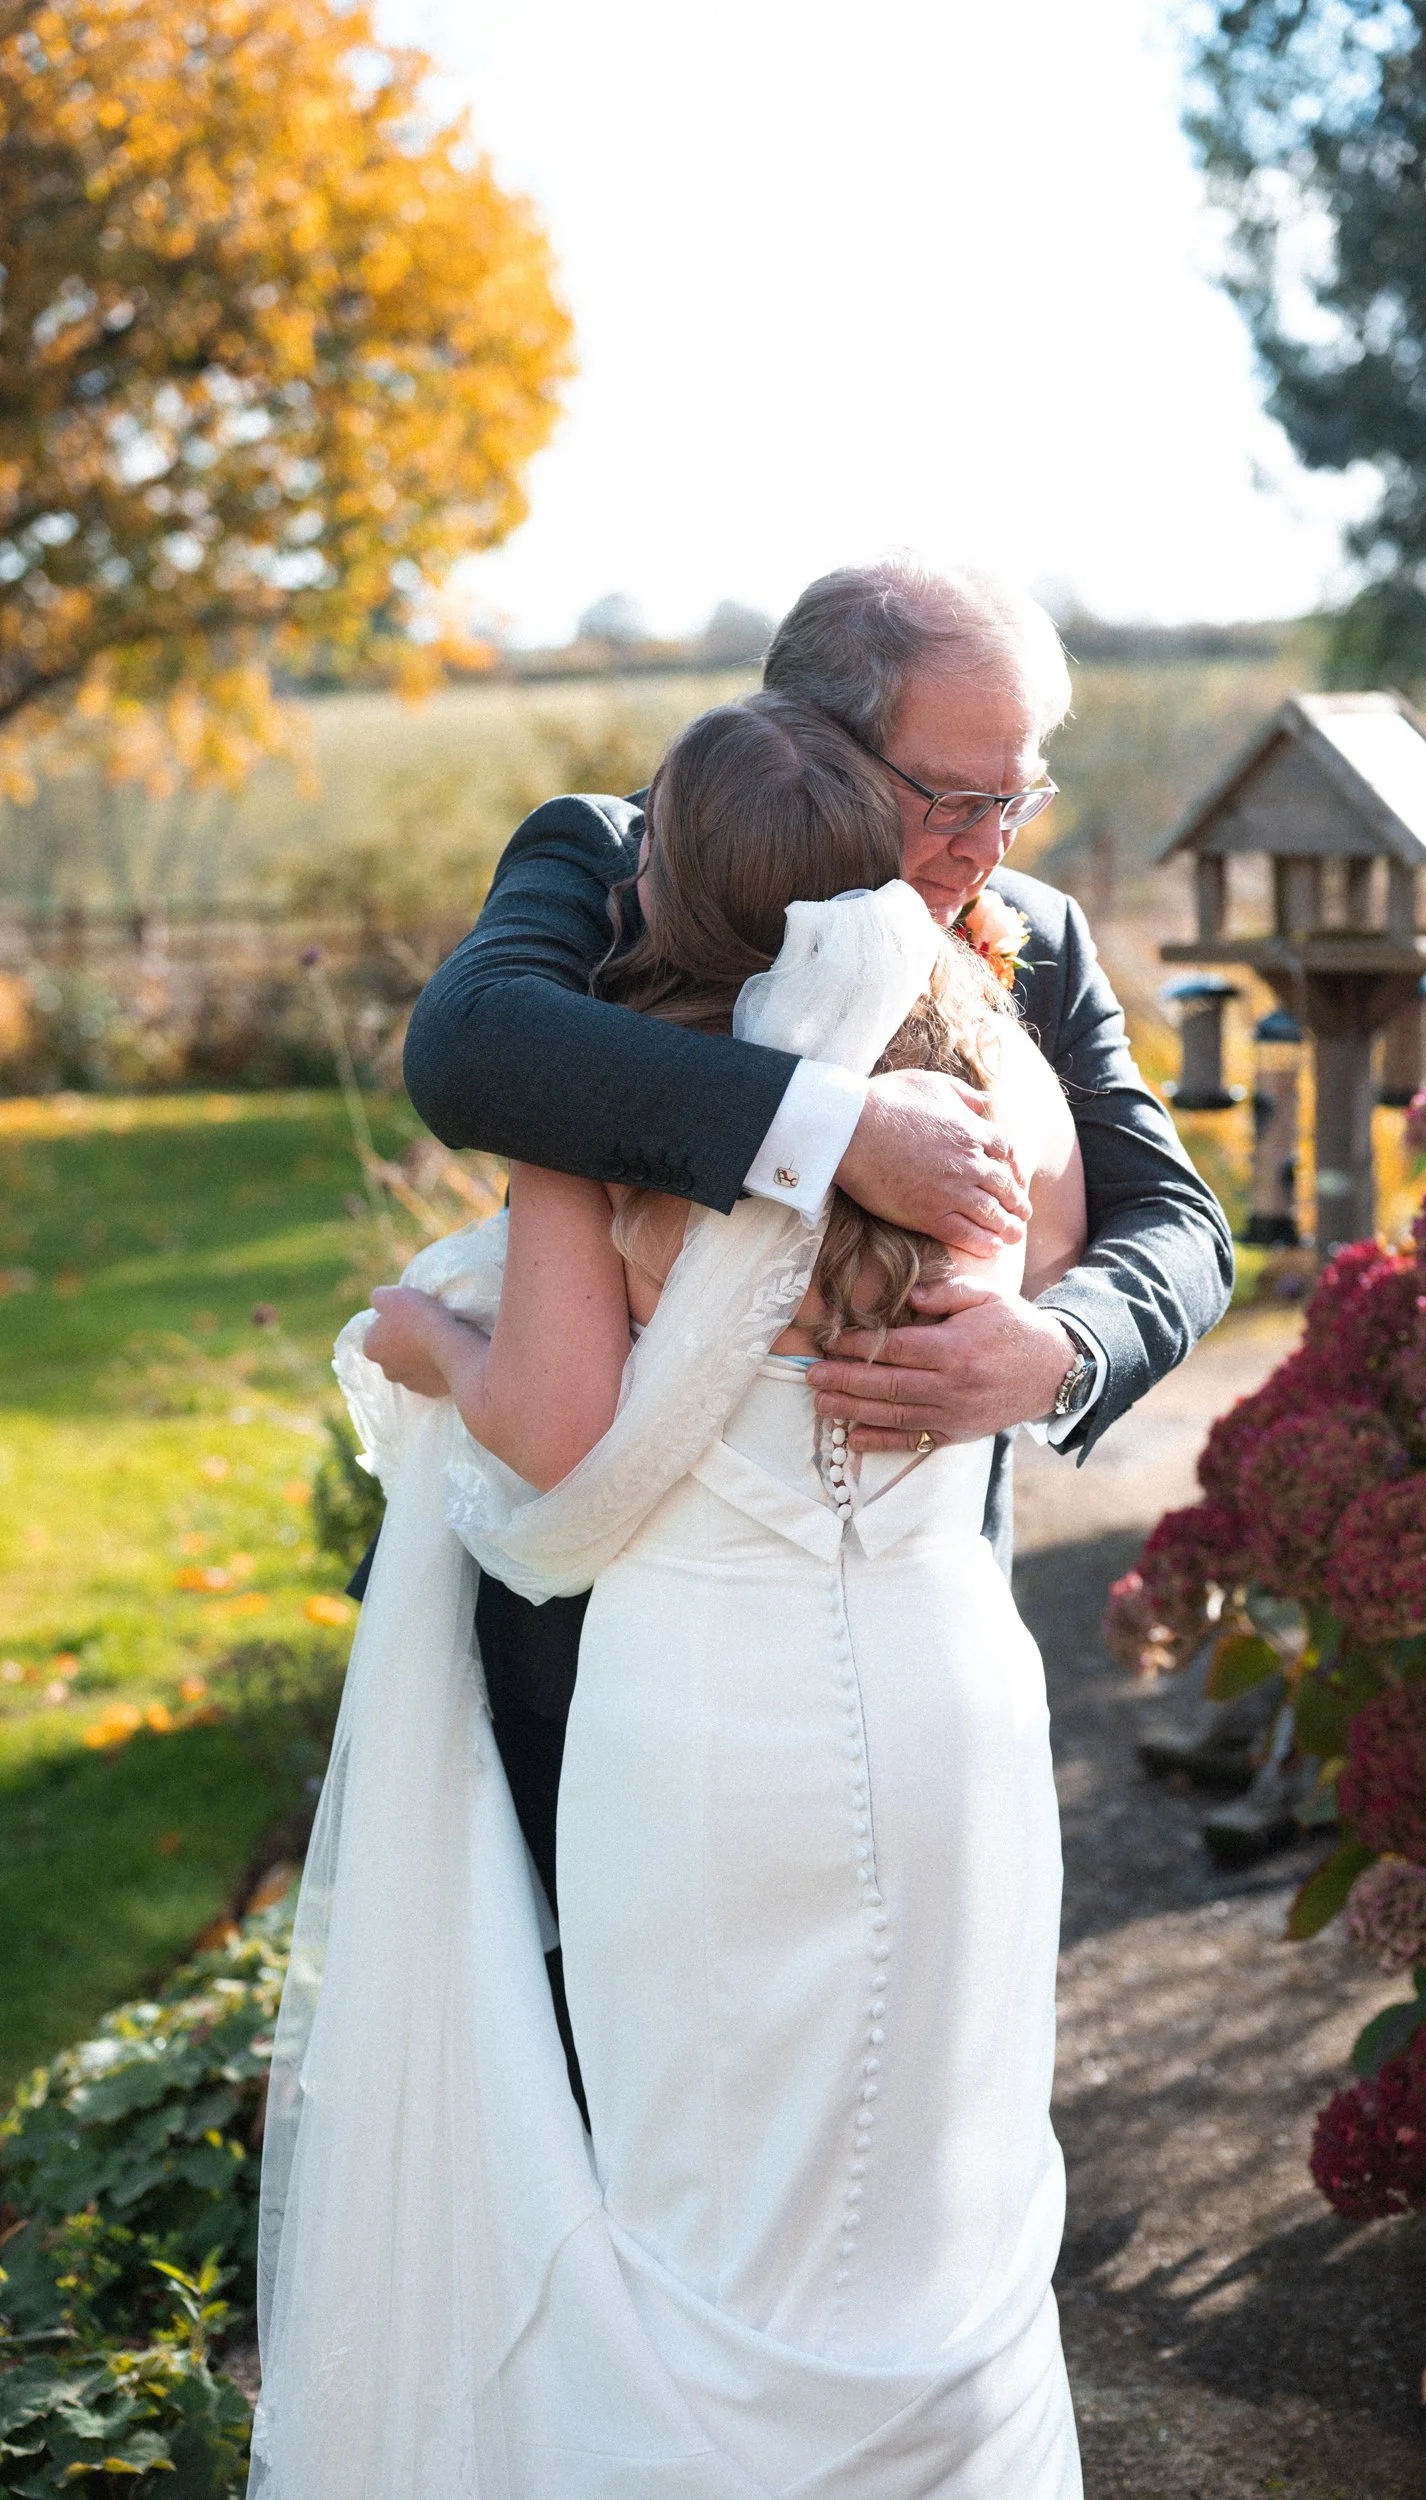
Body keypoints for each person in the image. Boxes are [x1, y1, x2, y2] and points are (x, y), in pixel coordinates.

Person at [253, 695, 1092, 2493]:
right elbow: (1059, 1277)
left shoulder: (597, 1110)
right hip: (950, 1690)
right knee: (935, 2208)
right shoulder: (986, 1096)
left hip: (709, 1716)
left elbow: (557, 1432)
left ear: (662, 881)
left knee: (707, 2211)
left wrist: (419, 1339)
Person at [387, 559, 1234, 2084]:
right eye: (947, 799)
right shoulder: (614, 858)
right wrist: (829, 1126)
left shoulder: (1028, 932)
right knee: (629, 2099)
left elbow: (1175, 1226)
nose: (984, 852)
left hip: (916, 1639)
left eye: (1018, 800)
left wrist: (1059, 1347)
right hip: (619, 1662)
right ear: (815, 737)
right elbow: (473, 1048)